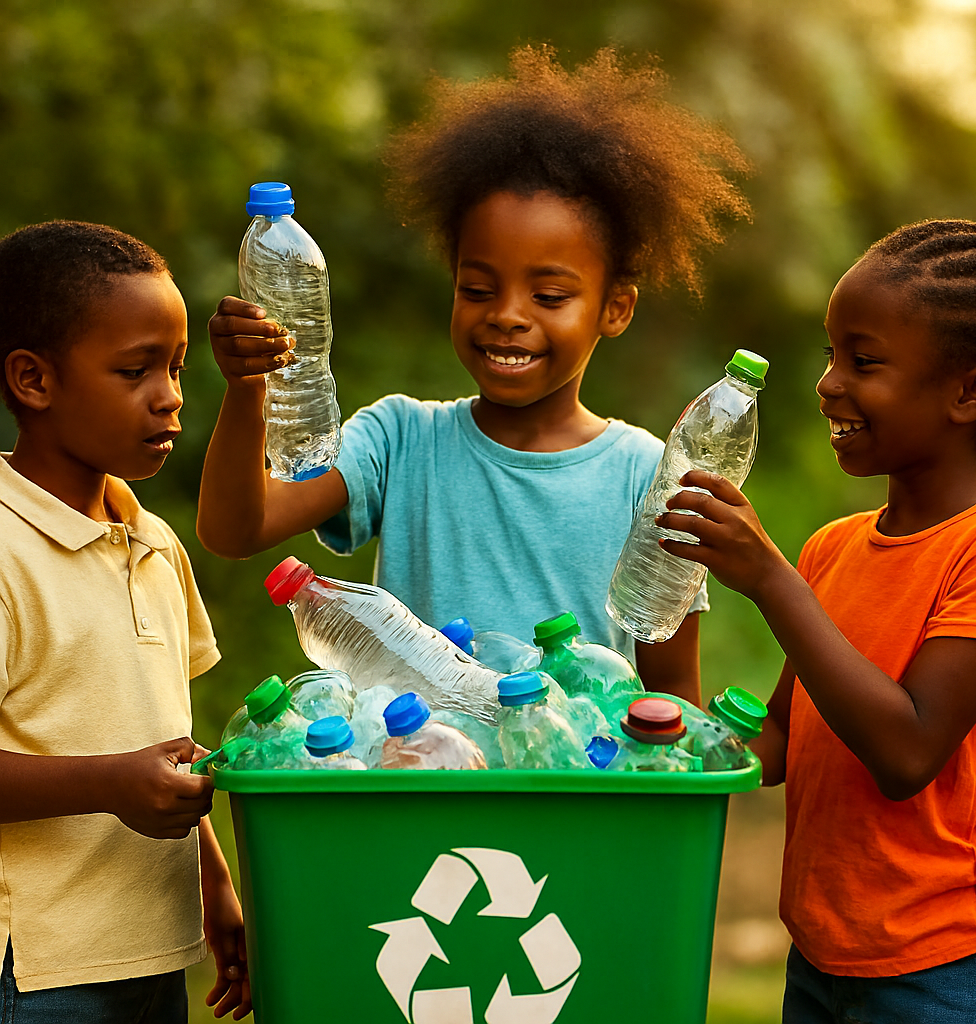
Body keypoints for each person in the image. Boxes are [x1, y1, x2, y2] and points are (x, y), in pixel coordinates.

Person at [197, 46, 750, 702]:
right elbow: (235, 530)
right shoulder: (398, 440)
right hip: (424, 786)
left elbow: (671, 697)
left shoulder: (645, 476)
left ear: (616, 307)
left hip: (573, 795)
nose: (507, 317)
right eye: (479, 287)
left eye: (549, 296)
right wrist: (246, 389)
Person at [659, 219, 976, 1021]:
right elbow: (785, 742)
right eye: (831, 355)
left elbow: (906, 750)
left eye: (864, 361)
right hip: (825, 954)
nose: (828, 383)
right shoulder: (833, 548)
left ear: (971, 393)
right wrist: (662, 721)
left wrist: (770, 581)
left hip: (950, 965)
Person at [0, 221, 251, 1021]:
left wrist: (215, 887)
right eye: (135, 369)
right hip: (35, 972)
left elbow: (163, 729)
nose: (171, 394)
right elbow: (127, 772)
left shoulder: (153, 540)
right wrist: (109, 783)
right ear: (34, 381)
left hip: (151, 952)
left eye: (176, 368)